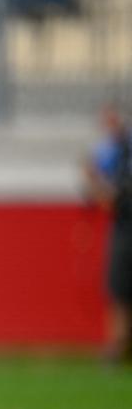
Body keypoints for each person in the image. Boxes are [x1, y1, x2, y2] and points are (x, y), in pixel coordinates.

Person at [84, 104, 132, 364]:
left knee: (120, 289)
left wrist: (93, 179)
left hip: (126, 225)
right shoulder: (112, 151)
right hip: (123, 224)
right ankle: (120, 345)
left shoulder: (122, 152)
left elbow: (111, 198)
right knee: (119, 289)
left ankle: (119, 346)